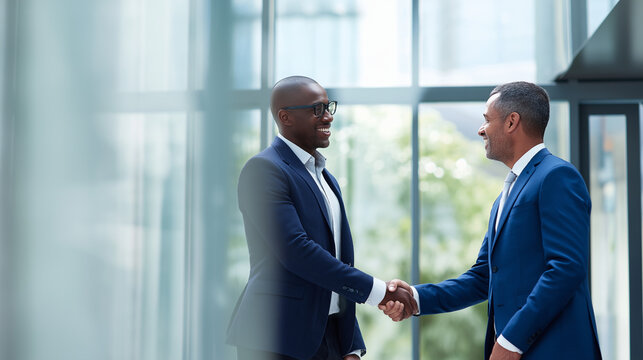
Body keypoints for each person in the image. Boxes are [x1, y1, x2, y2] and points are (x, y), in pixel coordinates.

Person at [381, 81, 602, 359]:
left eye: (487, 120)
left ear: (512, 122)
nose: (480, 129)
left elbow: (566, 269)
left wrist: (512, 340)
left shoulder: (556, 176)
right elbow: (482, 277)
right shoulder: (506, 195)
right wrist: (415, 297)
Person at [227, 75, 417, 360]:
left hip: (327, 336)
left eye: (329, 107)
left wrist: (349, 343)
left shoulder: (326, 178)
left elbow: (337, 264)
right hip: (275, 337)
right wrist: (380, 292)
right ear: (285, 117)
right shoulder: (264, 170)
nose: (328, 117)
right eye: (317, 109)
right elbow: (297, 251)